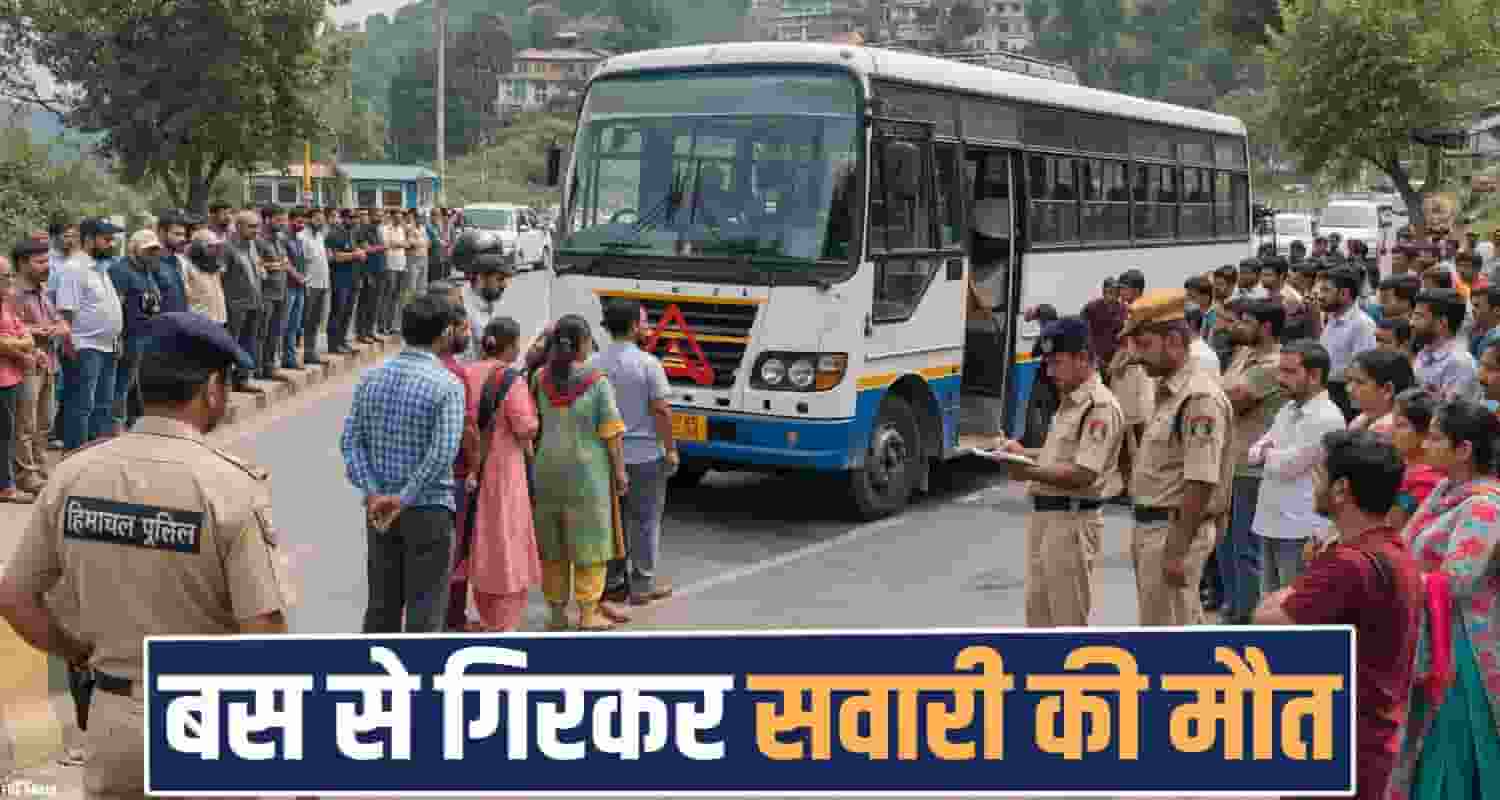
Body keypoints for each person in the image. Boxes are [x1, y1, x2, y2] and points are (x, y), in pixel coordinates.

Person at [0, 312, 294, 799]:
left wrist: (80, 654)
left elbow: (13, 597)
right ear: (212, 388)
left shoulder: (74, 474)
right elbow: (264, 633)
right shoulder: (228, 486)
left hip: (111, 725)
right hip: (206, 722)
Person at [1251, 430, 1422, 800]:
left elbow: (1267, 617)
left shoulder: (1348, 564)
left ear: (1341, 488)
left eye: (1318, 474)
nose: (1313, 483)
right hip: (1368, 736)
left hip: (1340, 739)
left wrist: (1293, 591)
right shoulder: (1392, 549)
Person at [1386, 399, 1500, 800]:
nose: (1426, 442)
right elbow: (1405, 543)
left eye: (1435, 436)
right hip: (1429, 633)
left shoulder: (1484, 505)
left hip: (1462, 642)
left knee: (1450, 746)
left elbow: (1456, 580)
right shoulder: (1444, 490)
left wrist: (1392, 579)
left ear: (1464, 449)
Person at [339, 294, 466, 633]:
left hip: (379, 512)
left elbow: (351, 442)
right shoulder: (447, 384)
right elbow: (442, 453)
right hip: (428, 510)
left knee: (382, 605)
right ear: (444, 333)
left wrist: (376, 492)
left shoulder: (371, 378)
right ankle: (417, 681)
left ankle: (374, 680)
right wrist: (404, 497)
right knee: (425, 610)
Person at [988, 317, 1123, 627]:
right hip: (1047, 519)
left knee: (1066, 624)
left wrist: (1028, 471)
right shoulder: (1071, 402)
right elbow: (1056, 455)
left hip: (1071, 522)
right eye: (1047, 364)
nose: (1049, 373)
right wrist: (1022, 454)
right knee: (1039, 620)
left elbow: (1083, 473)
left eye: (1057, 363)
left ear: (1083, 357)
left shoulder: (1098, 406)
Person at [1120, 289, 1235, 626]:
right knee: (1163, 626)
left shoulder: (1198, 398)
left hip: (1171, 530)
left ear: (1172, 340)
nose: (1137, 357)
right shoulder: (1169, 390)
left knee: (1171, 637)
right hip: (1154, 527)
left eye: (1143, 345)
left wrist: (1176, 548)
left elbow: (1201, 479)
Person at [530, 314, 629, 631]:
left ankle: (556, 613)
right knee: (591, 541)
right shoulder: (597, 382)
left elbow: (534, 427)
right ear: (584, 343)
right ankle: (587, 613)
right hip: (589, 474)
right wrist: (621, 472)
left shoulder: (540, 378)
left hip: (546, 470)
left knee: (553, 543)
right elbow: (611, 432)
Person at [595, 297, 679, 609]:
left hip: (605, 457)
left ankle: (614, 582)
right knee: (645, 520)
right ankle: (642, 584)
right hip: (645, 457)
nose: (647, 326)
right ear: (632, 327)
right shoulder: (648, 365)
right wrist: (670, 449)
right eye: (643, 321)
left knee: (611, 522)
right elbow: (662, 411)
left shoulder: (593, 364)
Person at [1246, 340, 1347, 594]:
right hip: (1272, 518)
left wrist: (1268, 453)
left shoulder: (1327, 417)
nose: (1280, 378)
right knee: (1268, 601)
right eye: (1280, 370)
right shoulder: (1288, 409)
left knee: (1291, 609)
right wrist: (1270, 453)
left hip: (1300, 526)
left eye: (1289, 372)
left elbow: (1290, 465)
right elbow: (1254, 451)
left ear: (1314, 376)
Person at [462, 317, 541, 632]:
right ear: (511, 346)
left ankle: (482, 612)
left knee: (478, 536)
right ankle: (503, 621)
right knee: (506, 538)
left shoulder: (467, 373)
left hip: (471, 467)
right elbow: (525, 426)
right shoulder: (512, 380)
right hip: (503, 471)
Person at [1217, 298, 1287, 624]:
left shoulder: (1272, 365)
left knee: (1244, 546)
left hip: (1251, 467)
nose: (1237, 327)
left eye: (1246, 322)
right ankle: (1233, 603)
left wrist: (1223, 392)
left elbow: (1229, 400)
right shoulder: (1247, 356)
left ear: (1266, 328)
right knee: (1228, 541)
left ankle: (1245, 614)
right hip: (1233, 461)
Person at [1319, 266, 1379, 422]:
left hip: (1346, 399)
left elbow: (1364, 371)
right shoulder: (1331, 319)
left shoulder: (1362, 325)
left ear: (1344, 294)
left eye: (1326, 290)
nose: (1320, 296)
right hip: (1328, 392)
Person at [451, 230, 519, 363]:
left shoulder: (484, 303)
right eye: (499, 279)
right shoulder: (460, 310)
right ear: (480, 278)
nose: (505, 285)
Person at [1411, 288, 1482, 404]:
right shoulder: (1425, 352)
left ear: (1442, 322)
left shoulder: (1460, 363)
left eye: (1419, 317)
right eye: (1413, 316)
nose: (1412, 323)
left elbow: (1450, 415)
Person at [1346, 348, 1416, 438]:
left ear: (1387, 389)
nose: (1349, 389)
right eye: (1349, 380)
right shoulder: (1361, 421)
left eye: (1359, 382)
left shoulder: (1388, 433)